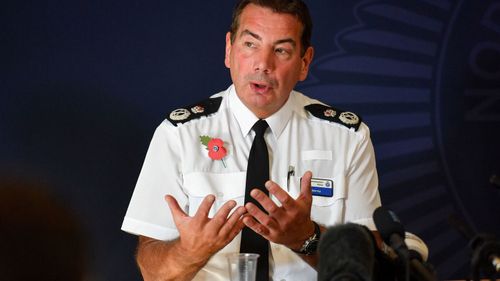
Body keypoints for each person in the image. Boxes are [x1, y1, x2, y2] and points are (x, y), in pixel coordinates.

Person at [121, 0, 381, 280]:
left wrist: (306, 238)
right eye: (250, 44)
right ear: (229, 49)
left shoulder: (347, 138)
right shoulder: (179, 134)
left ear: (304, 63)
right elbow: (151, 270)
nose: (263, 64)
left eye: (281, 50)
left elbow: (373, 269)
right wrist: (188, 253)